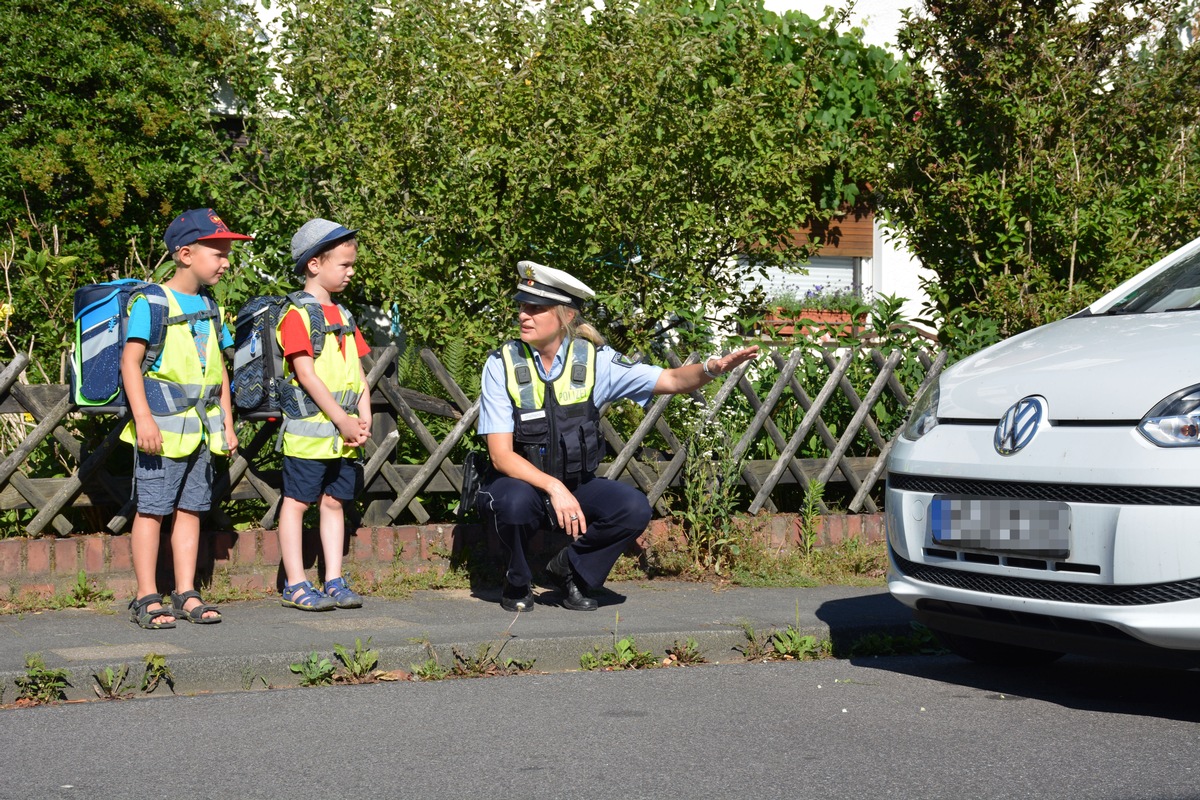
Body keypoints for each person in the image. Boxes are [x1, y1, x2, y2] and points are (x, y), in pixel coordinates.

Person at [475, 261, 759, 611]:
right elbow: (501, 456)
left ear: (564, 315)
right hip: (521, 484)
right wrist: (553, 487)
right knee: (512, 502)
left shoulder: (595, 361)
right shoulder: (501, 364)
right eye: (522, 305)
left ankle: (572, 572)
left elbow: (669, 380)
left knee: (632, 507)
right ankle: (516, 580)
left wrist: (711, 369)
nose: (523, 315)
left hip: (576, 483)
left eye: (536, 308)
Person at [123, 208, 246, 628]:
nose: (226, 261)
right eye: (218, 252)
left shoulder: (212, 306)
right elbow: (131, 363)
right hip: (161, 429)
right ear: (185, 254)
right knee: (151, 510)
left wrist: (227, 423)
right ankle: (145, 595)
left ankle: (185, 592)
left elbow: (219, 371)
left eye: (227, 252)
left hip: (202, 433)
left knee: (192, 509)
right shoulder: (152, 301)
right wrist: (143, 419)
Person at [275, 218, 373, 611]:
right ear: (314, 264)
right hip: (311, 431)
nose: (351, 272)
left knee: (334, 502)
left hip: (345, 434)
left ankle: (333, 578)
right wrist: (343, 419)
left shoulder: (345, 316)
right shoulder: (297, 314)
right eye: (344, 265)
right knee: (297, 502)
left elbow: (359, 373)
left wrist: (361, 417)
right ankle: (295, 583)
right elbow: (306, 374)